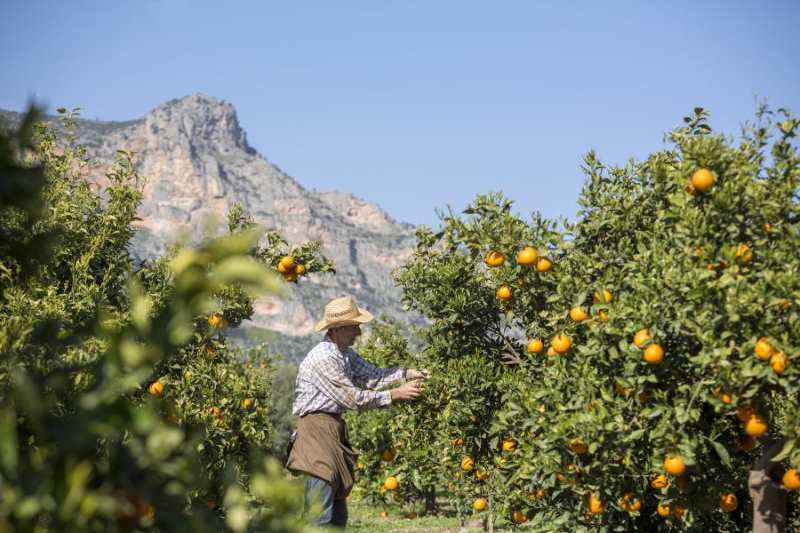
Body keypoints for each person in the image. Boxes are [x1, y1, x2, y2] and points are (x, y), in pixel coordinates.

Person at [285, 295, 429, 528]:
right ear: (338, 329)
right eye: (355, 327)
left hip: (333, 431)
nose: (359, 333)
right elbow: (354, 399)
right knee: (318, 514)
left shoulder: (344, 354)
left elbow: (373, 377)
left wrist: (407, 373)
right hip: (316, 432)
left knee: (338, 515)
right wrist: (395, 394)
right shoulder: (324, 358)